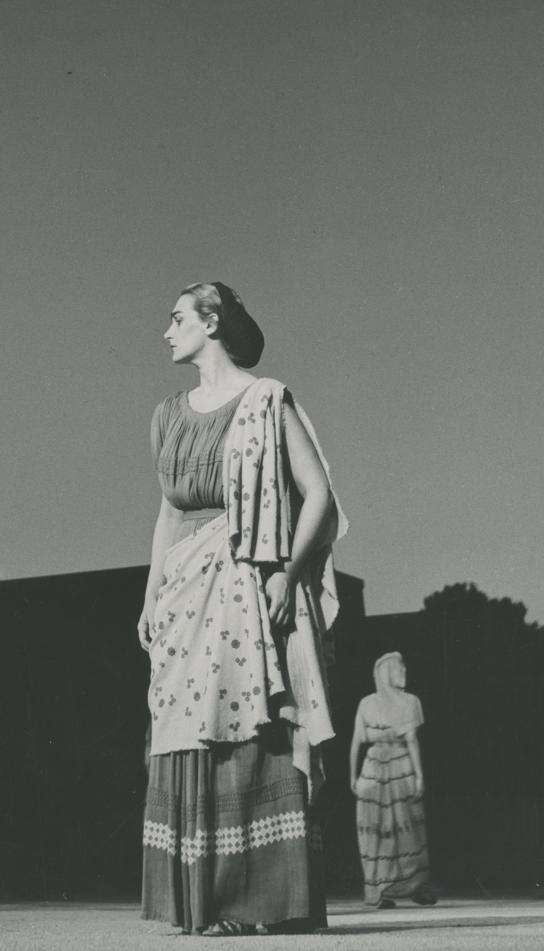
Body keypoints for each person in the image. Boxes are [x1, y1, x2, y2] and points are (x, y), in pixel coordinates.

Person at [138, 281, 346, 937]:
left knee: (250, 726)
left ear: (212, 322)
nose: (166, 331)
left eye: (177, 318)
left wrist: (286, 572)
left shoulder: (266, 400)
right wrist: (150, 595)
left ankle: (258, 901)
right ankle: (201, 898)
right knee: (185, 728)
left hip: (246, 580)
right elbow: (169, 513)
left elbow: (319, 496)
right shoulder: (168, 415)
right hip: (184, 589)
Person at [349, 652, 437, 908]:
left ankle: (415, 886)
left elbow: (411, 741)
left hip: (397, 767)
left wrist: (419, 775)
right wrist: (352, 775)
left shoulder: (410, 701)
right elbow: (356, 740)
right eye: (400, 668)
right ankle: (380, 889)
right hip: (376, 769)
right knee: (378, 827)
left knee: (407, 825)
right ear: (388, 673)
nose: (405, 672)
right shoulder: (368, 703)